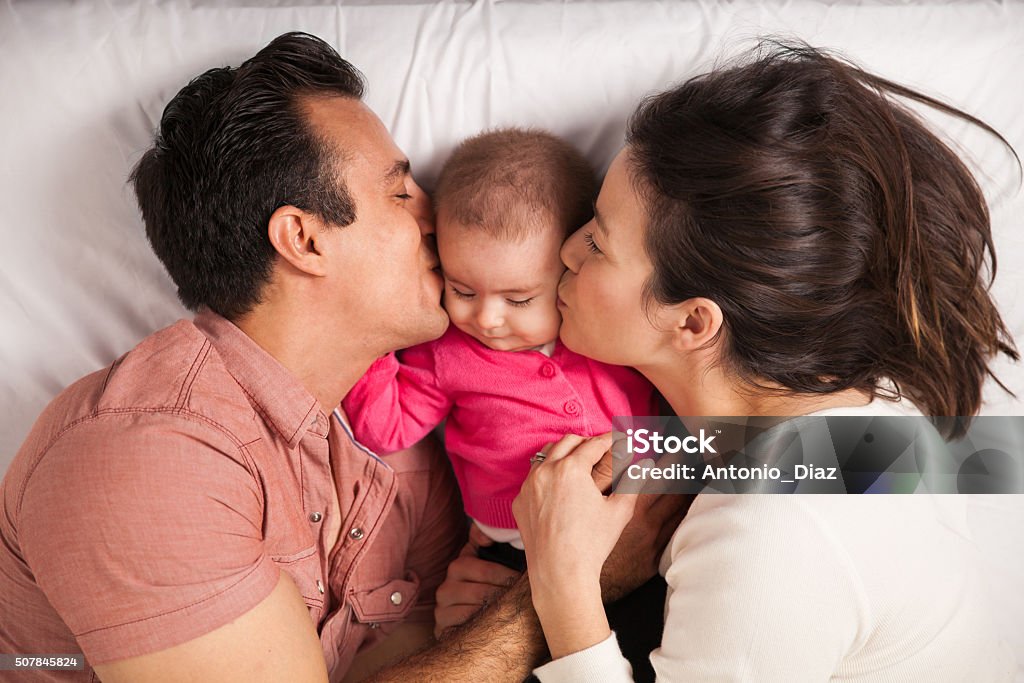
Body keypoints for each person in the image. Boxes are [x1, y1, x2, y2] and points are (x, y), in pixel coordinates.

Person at [0, 32, 681, 682]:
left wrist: (481, 607)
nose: (433, 210)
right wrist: (564, 585)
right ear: (304, 238)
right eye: (399, 190)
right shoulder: (149, 455)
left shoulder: (411, 457)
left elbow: (413, 662)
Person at [512, 43, 1020, 681]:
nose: (566, 248)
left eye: (598, 240)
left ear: (693, 321)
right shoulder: (874, 403)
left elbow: (783, 539)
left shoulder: (771, 536)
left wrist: (560, 589)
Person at [343, 128, 657, 568]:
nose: (487, 319)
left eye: (519, 299)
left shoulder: (607, 332)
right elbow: (385, 429)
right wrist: (375, 339)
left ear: (574, 268)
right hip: (515, 548)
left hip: (643, 519)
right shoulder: (445, 353)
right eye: (463, 290)